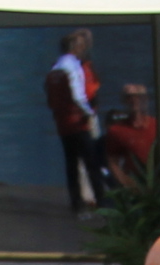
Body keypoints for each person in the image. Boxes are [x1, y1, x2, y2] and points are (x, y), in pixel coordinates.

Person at [46, 29, 106, 213]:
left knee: (71, 163)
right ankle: (101, 200)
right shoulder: (73, 66)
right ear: (75, 47)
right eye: (80, 45)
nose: (83, 48)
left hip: (62, 123)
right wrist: (88, 113)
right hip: (77, 121)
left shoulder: (55, 68)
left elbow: (51, 98)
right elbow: (77, 95)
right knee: (91, 162)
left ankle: (76, 202)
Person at [103, 81, 157, 183]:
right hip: (133, 183)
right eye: (129, 97)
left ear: (146, 99)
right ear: (124, 101)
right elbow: (112, 163)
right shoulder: (116, 131)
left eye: (139, 97)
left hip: (158, 182)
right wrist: (126, 183)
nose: (134, 100)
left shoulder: (157, 126)